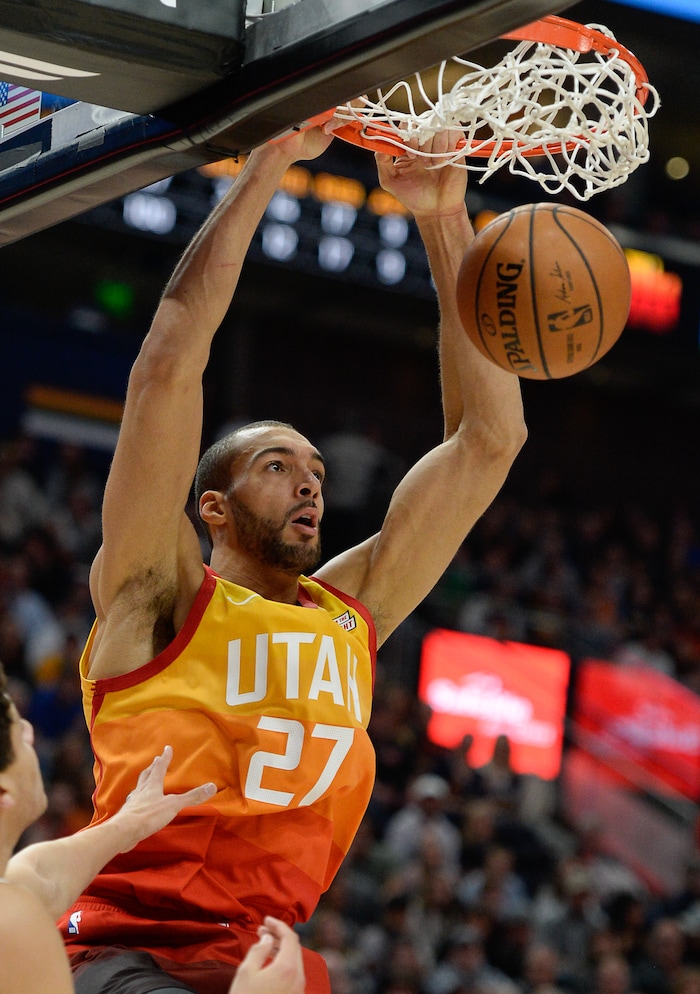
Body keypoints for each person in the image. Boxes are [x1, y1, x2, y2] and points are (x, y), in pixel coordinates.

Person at [60, 122, 526, 994]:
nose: (309, 486)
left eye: (315, 471)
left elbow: (490, 440)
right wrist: (267, 160)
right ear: (215, 509)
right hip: (129, 956)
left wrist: (443, 216)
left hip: (266, 957)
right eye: (278, 468)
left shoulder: (353, 611)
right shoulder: (158, 592)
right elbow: (166, 364)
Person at [0, 663, 305, 994]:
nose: (32, 732)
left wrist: (128, 824)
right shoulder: (14, 931)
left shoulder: (14, 901)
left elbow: (37, 878)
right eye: (21, 734)